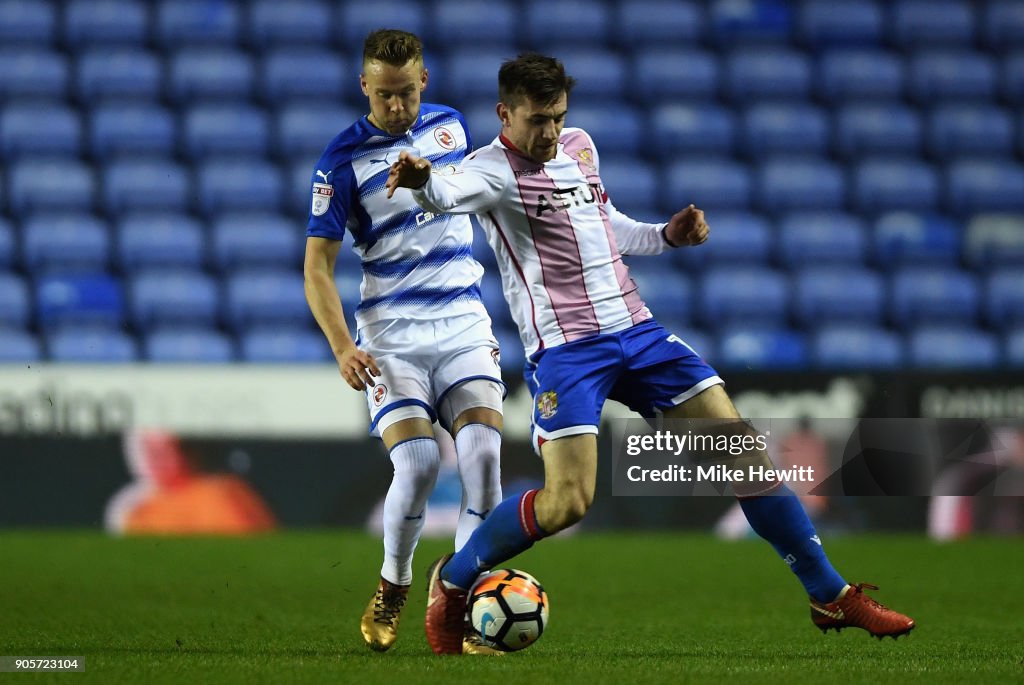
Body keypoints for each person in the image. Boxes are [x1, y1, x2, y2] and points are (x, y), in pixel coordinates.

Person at [386, 52, 916, 655]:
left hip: (638, 332)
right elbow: (446, 193)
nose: (551, 132)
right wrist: (422, 178)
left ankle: (829, 594)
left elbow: (605, 223)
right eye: (537, 120)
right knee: (568, 503)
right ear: (505, 113)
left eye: (558, 117)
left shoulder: (579, 146)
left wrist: (665, 237)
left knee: (742, 454)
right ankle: (453, 581)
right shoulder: (490, 171)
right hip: (568, 351)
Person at [303, 29, 505, 655]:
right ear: (364, 86)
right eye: (384, 95)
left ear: (425, 81)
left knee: (483, 457)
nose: (397, 108)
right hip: (392, 335)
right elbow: (316, 267)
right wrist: (342, 347)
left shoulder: (450, 128)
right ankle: (394, 586)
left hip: (465, 323)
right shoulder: (339, 163)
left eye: (406, 94)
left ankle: (467, 597)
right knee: (417, 464)